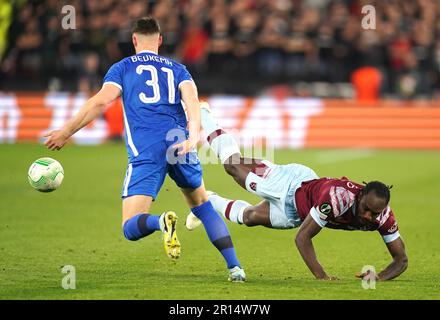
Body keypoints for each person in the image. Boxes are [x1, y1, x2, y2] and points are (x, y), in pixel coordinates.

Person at [43, 17, 246, 282]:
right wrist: (194, 134)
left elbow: (101, 101)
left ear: (134, 40)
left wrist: (66, 131)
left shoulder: (122, 67)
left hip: (146, 150)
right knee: (202, 206)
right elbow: (194, 102)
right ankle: (236, 268)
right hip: (179, 143)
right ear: (160, 40)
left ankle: (160, 221)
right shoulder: (178, 68)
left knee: (130, 226)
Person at [186, 102, 408, 281]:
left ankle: (209, 200)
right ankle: (205, 113)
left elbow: (401, 260)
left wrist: (379, 277)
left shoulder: (384, 217)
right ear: (360, 196)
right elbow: (303, 237)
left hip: (298, 212)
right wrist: (322, 276)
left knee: (250, 217)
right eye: (366, 209)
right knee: (232, 166)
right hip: (289, 183)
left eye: (375, 213)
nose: (369, 216)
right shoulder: (335, 199)